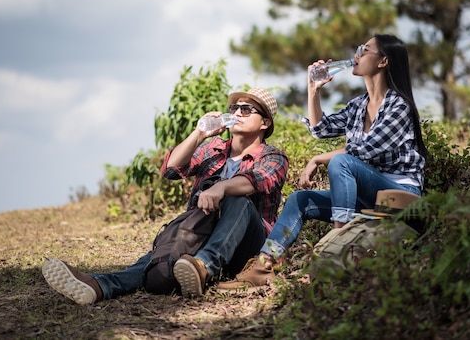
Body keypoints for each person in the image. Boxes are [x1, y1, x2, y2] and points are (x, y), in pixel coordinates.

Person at [217, 34, 427, 291]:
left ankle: (336, 248)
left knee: (342, 162)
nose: (357, 53)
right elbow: (320, 129)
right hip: (369, 193)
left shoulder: (399, 106)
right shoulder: (358, 106)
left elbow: (367, 150)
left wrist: (319, 158)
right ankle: (264, 265)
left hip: (400, 195)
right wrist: (313, 90)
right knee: (299, 200)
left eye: (365, 49)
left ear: (383, 61)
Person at [42, 87, 289, 304]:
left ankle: (205, 266)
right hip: (205, 233)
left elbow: (257, 181)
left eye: (246, 110)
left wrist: (221, 187)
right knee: (154, 261)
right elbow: (171, 169)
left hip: (247, 247)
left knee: (239, 200)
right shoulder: (213, 149)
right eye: (234, 108)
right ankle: (99, 286)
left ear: (265, 123)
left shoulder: (273, 157)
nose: (236, 113)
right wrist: (199, 134)